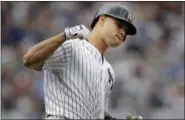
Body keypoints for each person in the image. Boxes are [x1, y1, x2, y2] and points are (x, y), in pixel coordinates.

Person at [23, 3, 142, 120]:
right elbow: (29, 60)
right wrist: (64, 35)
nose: (123, 32)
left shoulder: (108, 70)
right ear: (102, 20)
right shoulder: (73, 46)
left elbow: (98, 113)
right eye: (119, 25)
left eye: (126, 31)